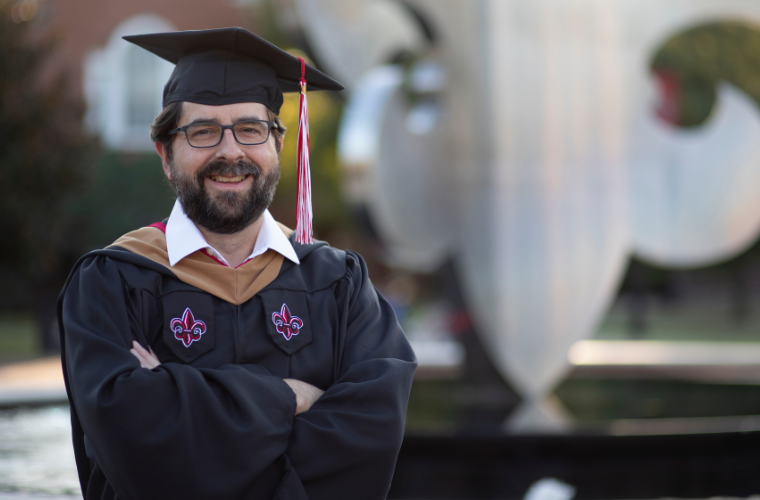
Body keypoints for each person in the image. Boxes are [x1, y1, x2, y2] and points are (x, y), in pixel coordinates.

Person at [57, 27, 417, 500]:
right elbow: (131, 444)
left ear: (277, 147)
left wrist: (175, 396)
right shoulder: (112, 282)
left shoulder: (339, 284)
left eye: (250, 129)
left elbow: (371, 436)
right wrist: (290, 398)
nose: (230, 151)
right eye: (203, 131)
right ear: (167, 156)